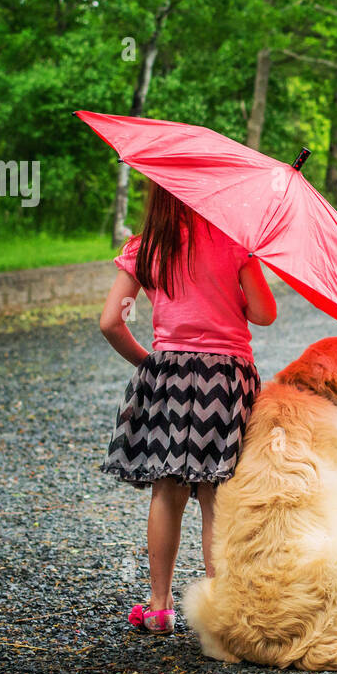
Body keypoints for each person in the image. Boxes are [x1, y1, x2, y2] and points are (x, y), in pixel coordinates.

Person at [98, 178, 276, 634]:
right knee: (216, 491)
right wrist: (246, 266)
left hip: (169, 376)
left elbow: (110, 322)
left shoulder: (144, 249)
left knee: (168, 489)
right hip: (226, 379)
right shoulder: (233, 244)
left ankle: (159, 606)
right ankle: (219, 611)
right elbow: (264, 312)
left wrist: (150, 364)